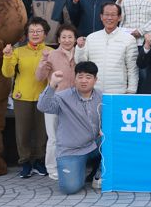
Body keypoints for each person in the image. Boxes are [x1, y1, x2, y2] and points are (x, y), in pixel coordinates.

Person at [37, 61, 103, 194]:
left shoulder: (102, 97)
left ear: (95, 80)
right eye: (80, 77)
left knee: (111, 140)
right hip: (71, 150)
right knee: (70, 188)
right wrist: (52, 84)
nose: (84, 80)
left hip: (94, 145)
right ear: (75, 78)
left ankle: (99, 173)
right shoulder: (63, 97)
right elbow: (43, 106)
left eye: (88, 77)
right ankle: (78, 168)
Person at [2, 17, 52, 178]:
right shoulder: (18, 51)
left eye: (39, 31)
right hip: (21, 96)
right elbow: (7, 73)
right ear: (27, 34)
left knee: (42, 132)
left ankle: (39, 161)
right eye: (32, 31)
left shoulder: (51, 52)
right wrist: (7, 56)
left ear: (45, 34)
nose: (35, 34)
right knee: (22, 132)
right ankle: (25, 162)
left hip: (44, 98)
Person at [35, 24, 78, 180]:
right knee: (53, 137)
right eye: (63, 37)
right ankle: (51, 167)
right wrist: (42, 64)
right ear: (58, 39)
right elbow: (39, 77)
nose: (67, 40)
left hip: (74, 102)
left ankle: (69, 166)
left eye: (70, 37)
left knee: (71, 137)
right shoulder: (51, 55)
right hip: (54, 100)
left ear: (75, 39)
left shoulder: (80, 53)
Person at [74, 2, 139, 94]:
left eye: (113, 15)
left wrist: (131, 90)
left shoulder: (129, 39)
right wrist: (80, 48)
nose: (109, 18)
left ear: (119, 17)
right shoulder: (91, 37)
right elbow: (81, 64)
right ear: (101, 17)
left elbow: (132, 68)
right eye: (106, 14)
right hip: (93, 91)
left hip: (118, 91)